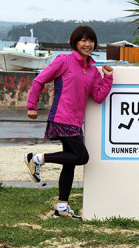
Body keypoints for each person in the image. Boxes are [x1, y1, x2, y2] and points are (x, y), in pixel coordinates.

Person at [24, 26, 114, 219]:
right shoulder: (64, 61)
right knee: (82, 157)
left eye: (90, 41)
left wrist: (108, 78)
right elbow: (39, 81)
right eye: (83, 40)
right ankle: (37, 159)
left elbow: (98, 97)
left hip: (76, 122)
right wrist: (32, 105)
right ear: (75, 42)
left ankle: (62, 208)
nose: (87, 44)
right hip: (61, 117)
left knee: (70, 163)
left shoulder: (92, 71)